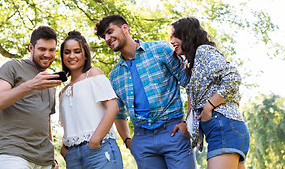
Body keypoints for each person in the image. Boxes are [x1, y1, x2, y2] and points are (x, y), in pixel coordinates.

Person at [95, 14, 196, 169]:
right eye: (104, 36)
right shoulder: (115, 75)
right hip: (142, 140)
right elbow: (119, 113)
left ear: (125, 28)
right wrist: (129, 142)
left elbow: (191, 84)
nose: (107, 38)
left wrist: (187, 123)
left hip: (174, 132)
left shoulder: (160, 50)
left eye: (110, 32)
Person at [169, 17, 250, 169]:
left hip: (224, 127)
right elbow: (193, 97)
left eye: (175, 36)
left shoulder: (203, 51)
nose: (171, 41)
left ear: (187, 35)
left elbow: (232, 77)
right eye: (170, 37)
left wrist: (209, 106)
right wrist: (187, 123)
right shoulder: (193, 64)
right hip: (226, 128)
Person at [0, 25, 62, 169]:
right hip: (13, 154)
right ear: (31, 48)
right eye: (42, 49)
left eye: (51, 50)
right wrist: (31, 85)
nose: (47, 54)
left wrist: (52, 156)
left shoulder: (50, 81)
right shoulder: (13, 66)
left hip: (44, 160)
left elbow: (46, 121)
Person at [58, 30, 123, 169]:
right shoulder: (63, 91)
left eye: (77, 51)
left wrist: (95, 141)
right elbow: (70, 125)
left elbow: (113, 107)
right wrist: (64, 150)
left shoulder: (93, 74)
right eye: (67, 52)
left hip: (99, 150)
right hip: (73, 157)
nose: (72, 56)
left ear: (85, 54)